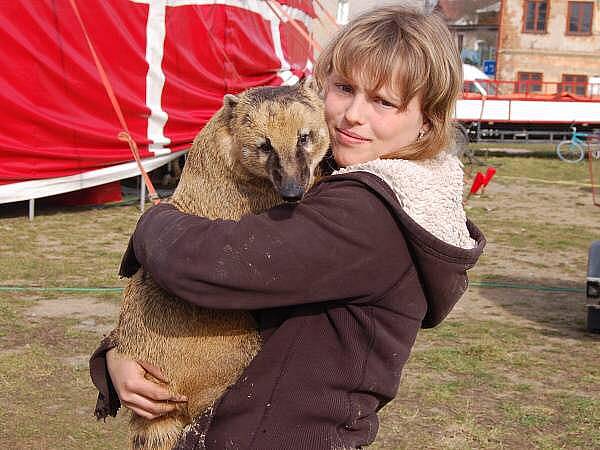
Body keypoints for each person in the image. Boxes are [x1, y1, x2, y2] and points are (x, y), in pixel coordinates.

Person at [90, 6, 485, 449]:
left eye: (384, 102)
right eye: (344, 88)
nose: (354, 114)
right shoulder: (332, 179)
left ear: (428, 120)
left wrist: (152, 222)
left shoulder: (371, 214)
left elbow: (210, 267)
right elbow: (212, 307)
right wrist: (119, 354)